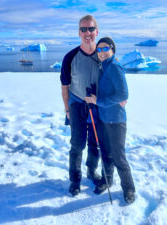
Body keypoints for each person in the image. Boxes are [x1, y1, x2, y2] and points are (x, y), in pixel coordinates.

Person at [85, 37, 136, 204]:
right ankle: (107, 181)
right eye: (98, 49)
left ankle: (128, 189)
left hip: (116, 120)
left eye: (105, 48)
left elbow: (123, 94)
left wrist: (97, 101)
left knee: (118, 157)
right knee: (106, 153)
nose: (102, 52)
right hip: (103, 119)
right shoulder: (103, 67)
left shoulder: (114, 66)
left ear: (112, 50)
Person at [60, 15, 102, 196]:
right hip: (76, 105)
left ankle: (92, 172)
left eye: (91, 29)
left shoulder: (104, 56)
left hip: (97, 107)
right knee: (77, 144)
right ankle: (74, 180)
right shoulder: (70, 57)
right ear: (79, 32)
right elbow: (64, 87)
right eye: (83, 29)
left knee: (95, 143)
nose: (87, 33)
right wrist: (68, 110)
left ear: (96, 31)